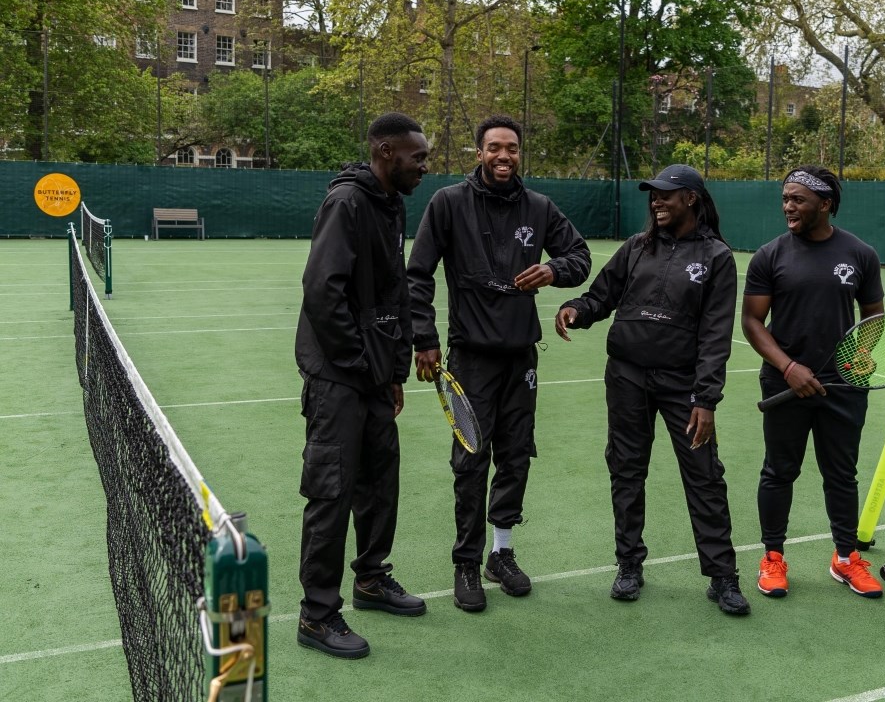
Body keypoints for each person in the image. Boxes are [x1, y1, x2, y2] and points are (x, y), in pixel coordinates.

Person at [408, 114, 591, 612]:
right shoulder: (448, 203)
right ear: (479, 153)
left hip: (521, 357)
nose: (504, 156)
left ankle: (501, 554)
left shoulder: (539, 206)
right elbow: (418, 276)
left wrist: (553, 270)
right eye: (495, 148)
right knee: (470, 460)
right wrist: (423, 339)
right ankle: (465, 561)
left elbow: (580, 256)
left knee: (515, 455)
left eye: (511, 148)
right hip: (470, 356)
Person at [555, 164, 749, 616]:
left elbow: (716, 335)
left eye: (666, 194)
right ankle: (629, 565)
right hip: (626, 377)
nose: (657, 201)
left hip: (684, 386)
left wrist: (706, 399)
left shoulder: (716, 257)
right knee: (626, 469)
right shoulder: (636, 248)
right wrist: (575, 310)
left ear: (691, 199)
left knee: (704, 476)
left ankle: (722, 576)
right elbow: (600, 296)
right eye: (653, 195)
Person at [295, 112, 430, 659]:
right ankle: (316, 615)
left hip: (373, 377)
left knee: (380, 481)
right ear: (384, 151)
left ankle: (372, 578)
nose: (425, 165)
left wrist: (392, 371)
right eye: (416, 156)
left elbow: (395, 292)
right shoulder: (347, 203)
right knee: (332, 490)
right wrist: (359, 365)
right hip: (337, 378)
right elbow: (321, 292)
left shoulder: (392, 204)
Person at [741, 166, 885, 601]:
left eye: (798, 199)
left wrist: (863, 349)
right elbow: (751, 320)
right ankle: (772, 558)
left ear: (825, 204)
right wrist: (788, 368)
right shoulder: (770, 255)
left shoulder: (860, 253)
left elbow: (874, 313)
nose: (788, 206)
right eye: (786, 198)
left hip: (843, 387)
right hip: (786, 385)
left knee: (841, 474)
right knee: (779, 471)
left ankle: (845, 558)